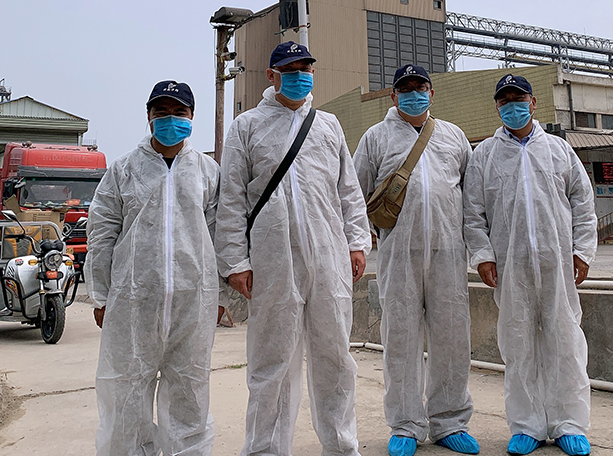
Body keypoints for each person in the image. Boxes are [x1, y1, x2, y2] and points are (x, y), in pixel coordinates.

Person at [215, 41, 371, 456]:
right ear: (271, 75)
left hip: (328, 258)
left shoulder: (328, 125)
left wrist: (357, 241)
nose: (300, 75)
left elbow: (348, 191)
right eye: (290, 68)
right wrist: (235, 261)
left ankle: (341, 446)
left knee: (336, 358)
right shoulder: (246, 126)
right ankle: (265, 449)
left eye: (306, 68)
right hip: (272, 261)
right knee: (272, 365)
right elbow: (230, 200)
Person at [463, 74, 597, 456]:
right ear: (497, 107)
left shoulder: (558, 150)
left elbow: (583, 206)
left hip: (557, 262)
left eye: (518, 97)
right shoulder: (484, 155)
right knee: (518, 344)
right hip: (510, 266)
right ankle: (527, 425)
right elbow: (473, 213)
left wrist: (583, 251)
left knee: (565, 341)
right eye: (504, 100)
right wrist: (483, 255)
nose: (512, 105)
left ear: (534, 102)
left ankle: (569, 423)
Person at [85, 80, 221, 456]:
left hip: (193, 302)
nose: (170, 119)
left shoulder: (207, 171)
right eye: (161, 112)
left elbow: (218, 235)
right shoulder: (124, 170)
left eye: (179, 112)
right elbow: (102, 232)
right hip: (133, 301)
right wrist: (99, 294)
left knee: (189, 392)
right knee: (126, 391)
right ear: (148, 116)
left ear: (192, 117)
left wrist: (219, 294)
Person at [353, 65, 479, 456]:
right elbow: (354, 198)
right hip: (398, 253)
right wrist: (358, 243)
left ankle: (450, 421)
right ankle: (405, 424)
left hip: (448, 253)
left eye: (419, 87)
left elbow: (471, 198)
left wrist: (479, 250)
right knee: (401, 340)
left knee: (452, 339)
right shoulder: (375, 138)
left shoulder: (454, 136)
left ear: (432, 92)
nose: (413, 94)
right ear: (392, 96)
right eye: (404, 89)